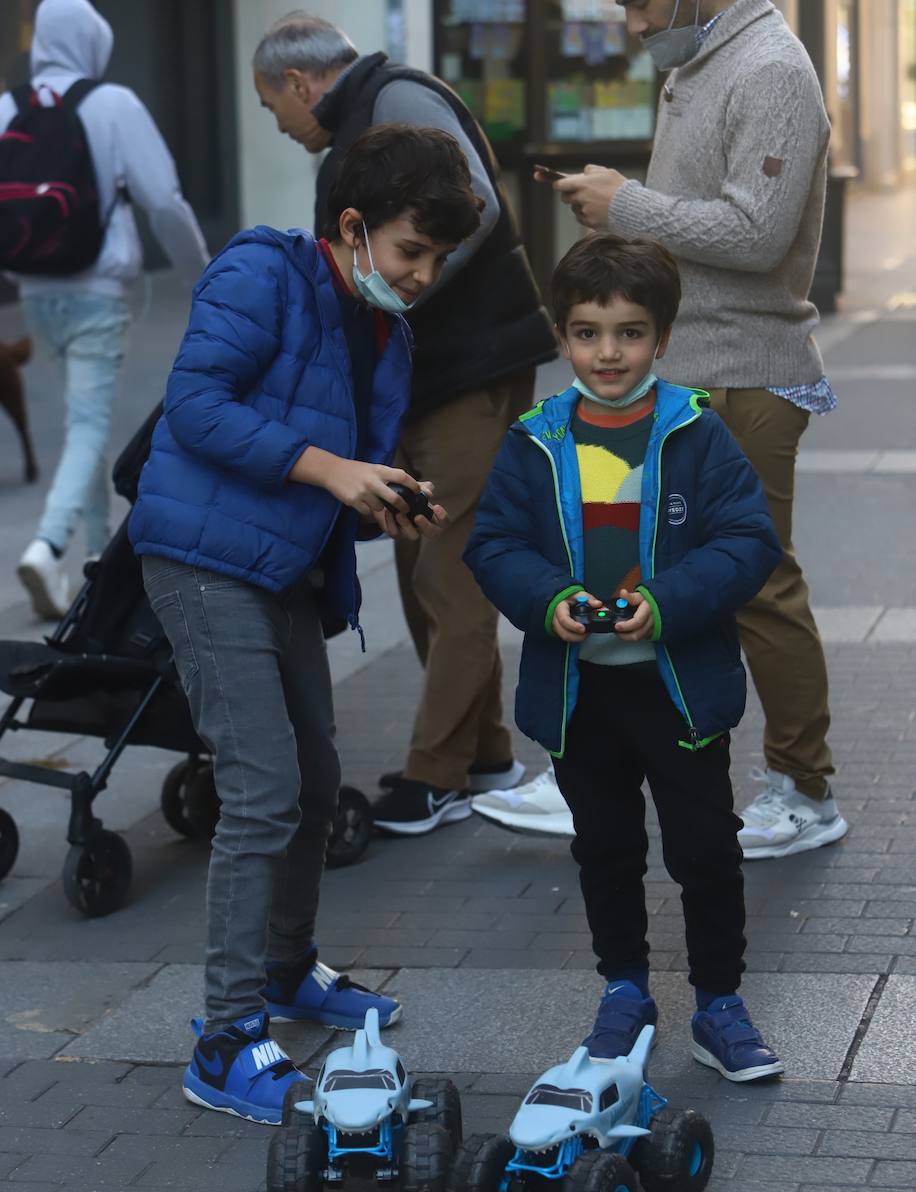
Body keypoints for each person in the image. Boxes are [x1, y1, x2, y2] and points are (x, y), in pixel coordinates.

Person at [129, 125, 482, 1124]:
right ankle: (225, 1038)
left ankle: (286, 974)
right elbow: (195, 405)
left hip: (276, 567)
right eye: (410, 253)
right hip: (200, 563)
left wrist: (381, 495)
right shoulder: (262, 271)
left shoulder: (384, 326)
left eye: (436, 262)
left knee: (317, 780)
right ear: (351, 226)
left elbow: (333, 456)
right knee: (263, 791)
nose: (419, 277)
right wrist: (333, 470)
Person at [526, 0, 848, 862]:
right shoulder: (700, 61)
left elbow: (757, 231)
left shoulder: (772, 68)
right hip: (692, 367)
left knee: (757, 578)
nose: (631, 22)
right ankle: (599, 761)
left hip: (748, 369)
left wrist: (626, 203)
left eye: (638, 2)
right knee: (644, 563)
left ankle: (805, 788)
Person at [465, 233, 784, 1082]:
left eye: (630, 332)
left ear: (662, 338)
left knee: (706, 848)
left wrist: (668, 602)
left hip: (678, 689)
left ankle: (719, 1002)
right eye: (588, 332)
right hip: (581, 695)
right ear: (565, 337)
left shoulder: (696, 433)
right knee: (604, 847)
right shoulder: (535, 441)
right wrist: (548, 599)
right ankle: (624, 991)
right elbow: (493, 544)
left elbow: (749, 540)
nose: (609, 352)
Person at [252, 13, 558, 836]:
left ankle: (434, 775)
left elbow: (478, 210)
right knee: (425, 559)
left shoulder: (394, 100)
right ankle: (485, 753)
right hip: (429, 375)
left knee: (451, 573)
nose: (277, 127)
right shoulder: (366, 115)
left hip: (471, 368)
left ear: (298, 83)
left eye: (271, 107)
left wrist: (402, 290)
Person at [0, 0, 208, 620]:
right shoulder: (113, 104)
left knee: (78, 423)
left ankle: (93, 564)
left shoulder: (8, 106)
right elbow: (163, 200)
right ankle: (49, 544)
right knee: (89, 426)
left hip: (37, 289)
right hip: (98, 291)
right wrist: (205, 276)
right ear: (94, 41)